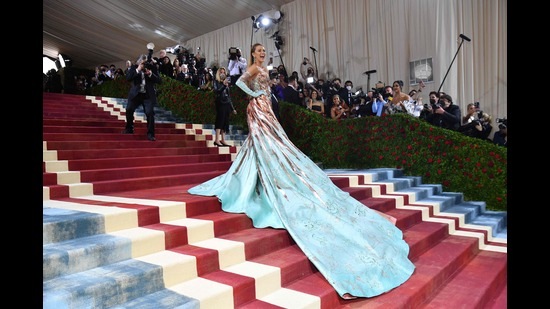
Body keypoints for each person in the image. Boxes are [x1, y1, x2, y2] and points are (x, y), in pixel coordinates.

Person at [187, 43, 415, 299]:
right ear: (253, 54)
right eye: (260, 51)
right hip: (259, 109)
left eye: (264, 52)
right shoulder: (252, 68)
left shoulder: (261, 68)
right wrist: (255, 96)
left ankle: (257, 178)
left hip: (266, 109)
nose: (263, 54)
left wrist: (261, 96)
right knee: (264, 144)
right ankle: (258, 180)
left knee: (265, 145)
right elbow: (239, 83)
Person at [122, 54, 162, 141]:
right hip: (136, 95)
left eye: (145, 63)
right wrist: (137, 70)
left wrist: (151, 74)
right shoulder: (134, 67)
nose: (144, 65)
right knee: (129, 109)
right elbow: (128, 78)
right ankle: (129, 128)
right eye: (142, 63)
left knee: (150, 113)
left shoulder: (152, 68)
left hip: (147, 96)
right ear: (139, 62)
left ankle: (150, 134)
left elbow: (159, 81)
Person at [212, 67, 236, 147]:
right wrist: (223, 85)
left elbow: (229, 97)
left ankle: (223, 139)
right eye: (221, 72)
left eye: (223, 72)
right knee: (220, 120)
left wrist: (232, 108)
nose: (222, 74)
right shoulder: (216, 82)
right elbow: (217, 91)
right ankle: (216, 139)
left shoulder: (226, 84)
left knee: (226, 122)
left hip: (226, 104)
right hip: (220, 103)